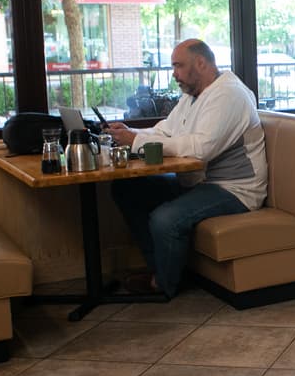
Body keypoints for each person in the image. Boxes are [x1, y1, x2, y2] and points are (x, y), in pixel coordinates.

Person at [106, 39, 267, 298]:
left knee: (165, 219)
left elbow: (202, 148)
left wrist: (136, 143)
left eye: (178, 66)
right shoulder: (192, 96)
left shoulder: (229, 95)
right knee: (127, 188)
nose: (174, 74)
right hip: (198, 182)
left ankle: (164, 286)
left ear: (201, 63)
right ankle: (160, 269)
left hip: (235, 189)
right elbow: (166, 129)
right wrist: (130, 132)